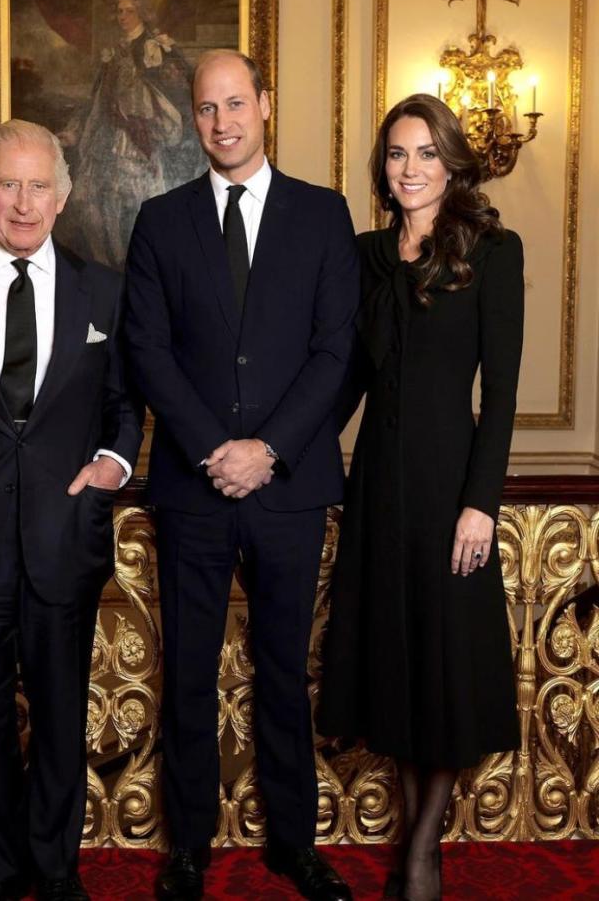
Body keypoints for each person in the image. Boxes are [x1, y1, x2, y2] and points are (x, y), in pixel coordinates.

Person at [123, 50, 358, 901]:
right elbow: (146, 349)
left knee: (284, 669)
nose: (222, 121)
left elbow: (336, 350)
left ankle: (294, 842)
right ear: (193, 118)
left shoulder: (324, 215)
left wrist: (269, 449)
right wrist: (209, 449)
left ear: (265, 102)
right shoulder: (160, 220)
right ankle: (189, 845)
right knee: (185, 669)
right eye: (205, 108)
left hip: (289, 488)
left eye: (235, 103)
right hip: (193, 488)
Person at [0, 119, 142, 901]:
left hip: (62, 536)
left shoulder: (102, 287)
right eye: (8, 183)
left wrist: (113, 461)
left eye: (39, 185)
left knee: (59, 714)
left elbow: (124, 405)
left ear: (63, 197)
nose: (23, 201)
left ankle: (54, 865)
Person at [316, 94, 523, 900]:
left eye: (425, 154)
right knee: (396, 668)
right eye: (397, 155)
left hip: (449, 490)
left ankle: (422, 849)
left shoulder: (492, 250)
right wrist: (277, 451)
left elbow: (500, 395)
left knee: (443, 667)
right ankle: (415, 840)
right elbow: (347, 378)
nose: (409, 169)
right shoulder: (366, 255)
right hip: (378, 486)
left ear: (452, 162)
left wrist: (481, 503)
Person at [57, 0, 206, 268]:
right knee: (99, 203)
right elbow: (97, 97)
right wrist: (75, 130)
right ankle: (110, 268)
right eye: (119, 11)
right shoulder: (112, 53)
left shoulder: (157, 47)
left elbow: (182, 91)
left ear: (142, 13)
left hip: (145, 138)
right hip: (109, 136)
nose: (122, 16)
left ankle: (143, 264)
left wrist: (148, 112)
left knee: (141, 202)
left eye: (129, 11)